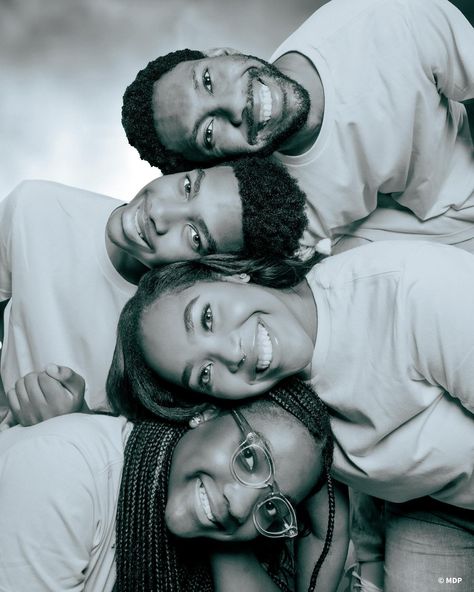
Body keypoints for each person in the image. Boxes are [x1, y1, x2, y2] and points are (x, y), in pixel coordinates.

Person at [108, 240, 474, 590]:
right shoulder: (277, 415)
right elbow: (327, 525)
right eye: (204, 373)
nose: (231, 354)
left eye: (207, 317)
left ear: (229, 273)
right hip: (436, 510)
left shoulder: (413, 292)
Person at [122, 0, 474, 257]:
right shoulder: (275, 206)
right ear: (217, 161)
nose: (234, 104)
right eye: (209, 132)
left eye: (209, 80)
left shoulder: (382, 22)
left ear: (221, 52)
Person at [0, 156, 307, 424]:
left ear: (219, 270)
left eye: (194, 236)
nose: (159, 213)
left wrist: (78, 421)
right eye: (188, 187)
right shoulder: (36, 207)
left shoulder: (186, 348)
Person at [0, 379, 349, 592]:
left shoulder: (216, 531)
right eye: (249, 459)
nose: (242, 506)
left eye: (271, 507)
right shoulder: (66, 468)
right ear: (207, 413)